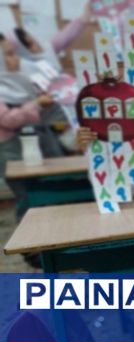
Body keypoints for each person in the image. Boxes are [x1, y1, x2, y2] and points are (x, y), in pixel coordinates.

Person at [0, 33, 54, 210]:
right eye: (8, 55)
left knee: (48, 193)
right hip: (10, 147)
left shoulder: (21, 79)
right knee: (26, 196)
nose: (16, 60)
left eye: (14, 53)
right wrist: (37, 103)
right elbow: (8, 120)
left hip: (37, 140)